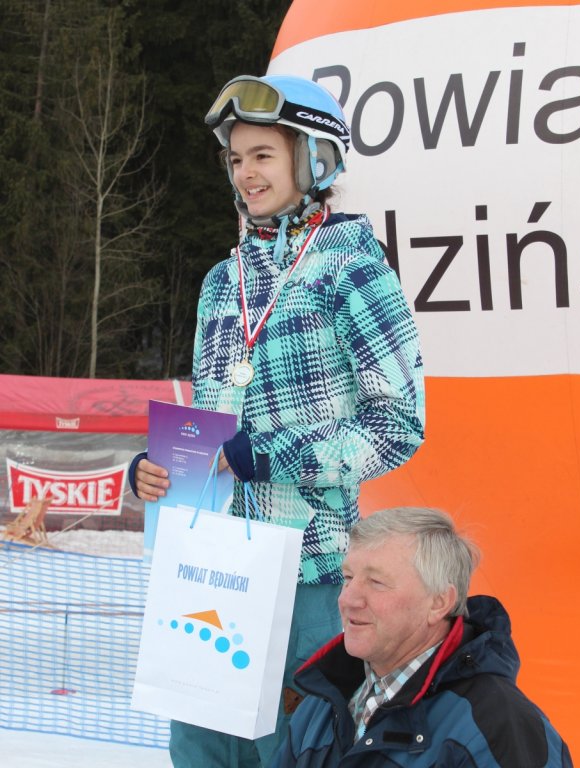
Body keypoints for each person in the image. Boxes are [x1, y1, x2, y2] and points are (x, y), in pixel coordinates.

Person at [129, 74, 425, 767]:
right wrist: (162, 471)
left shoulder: (352, 267)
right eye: (236, 159)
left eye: (262, 155)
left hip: (308, 573)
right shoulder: (220, 282)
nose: (245, 173)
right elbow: (209, 425)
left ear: (315, 159)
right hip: (210, 566)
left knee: (294, 751)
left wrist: (267, 454)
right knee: (200, 750)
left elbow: (396, 425)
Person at [271, 507, 574, 768]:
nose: (348, 598)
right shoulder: (324, 701)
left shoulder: (498, 726)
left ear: (439, 603)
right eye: (348, 577)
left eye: (376, 582)